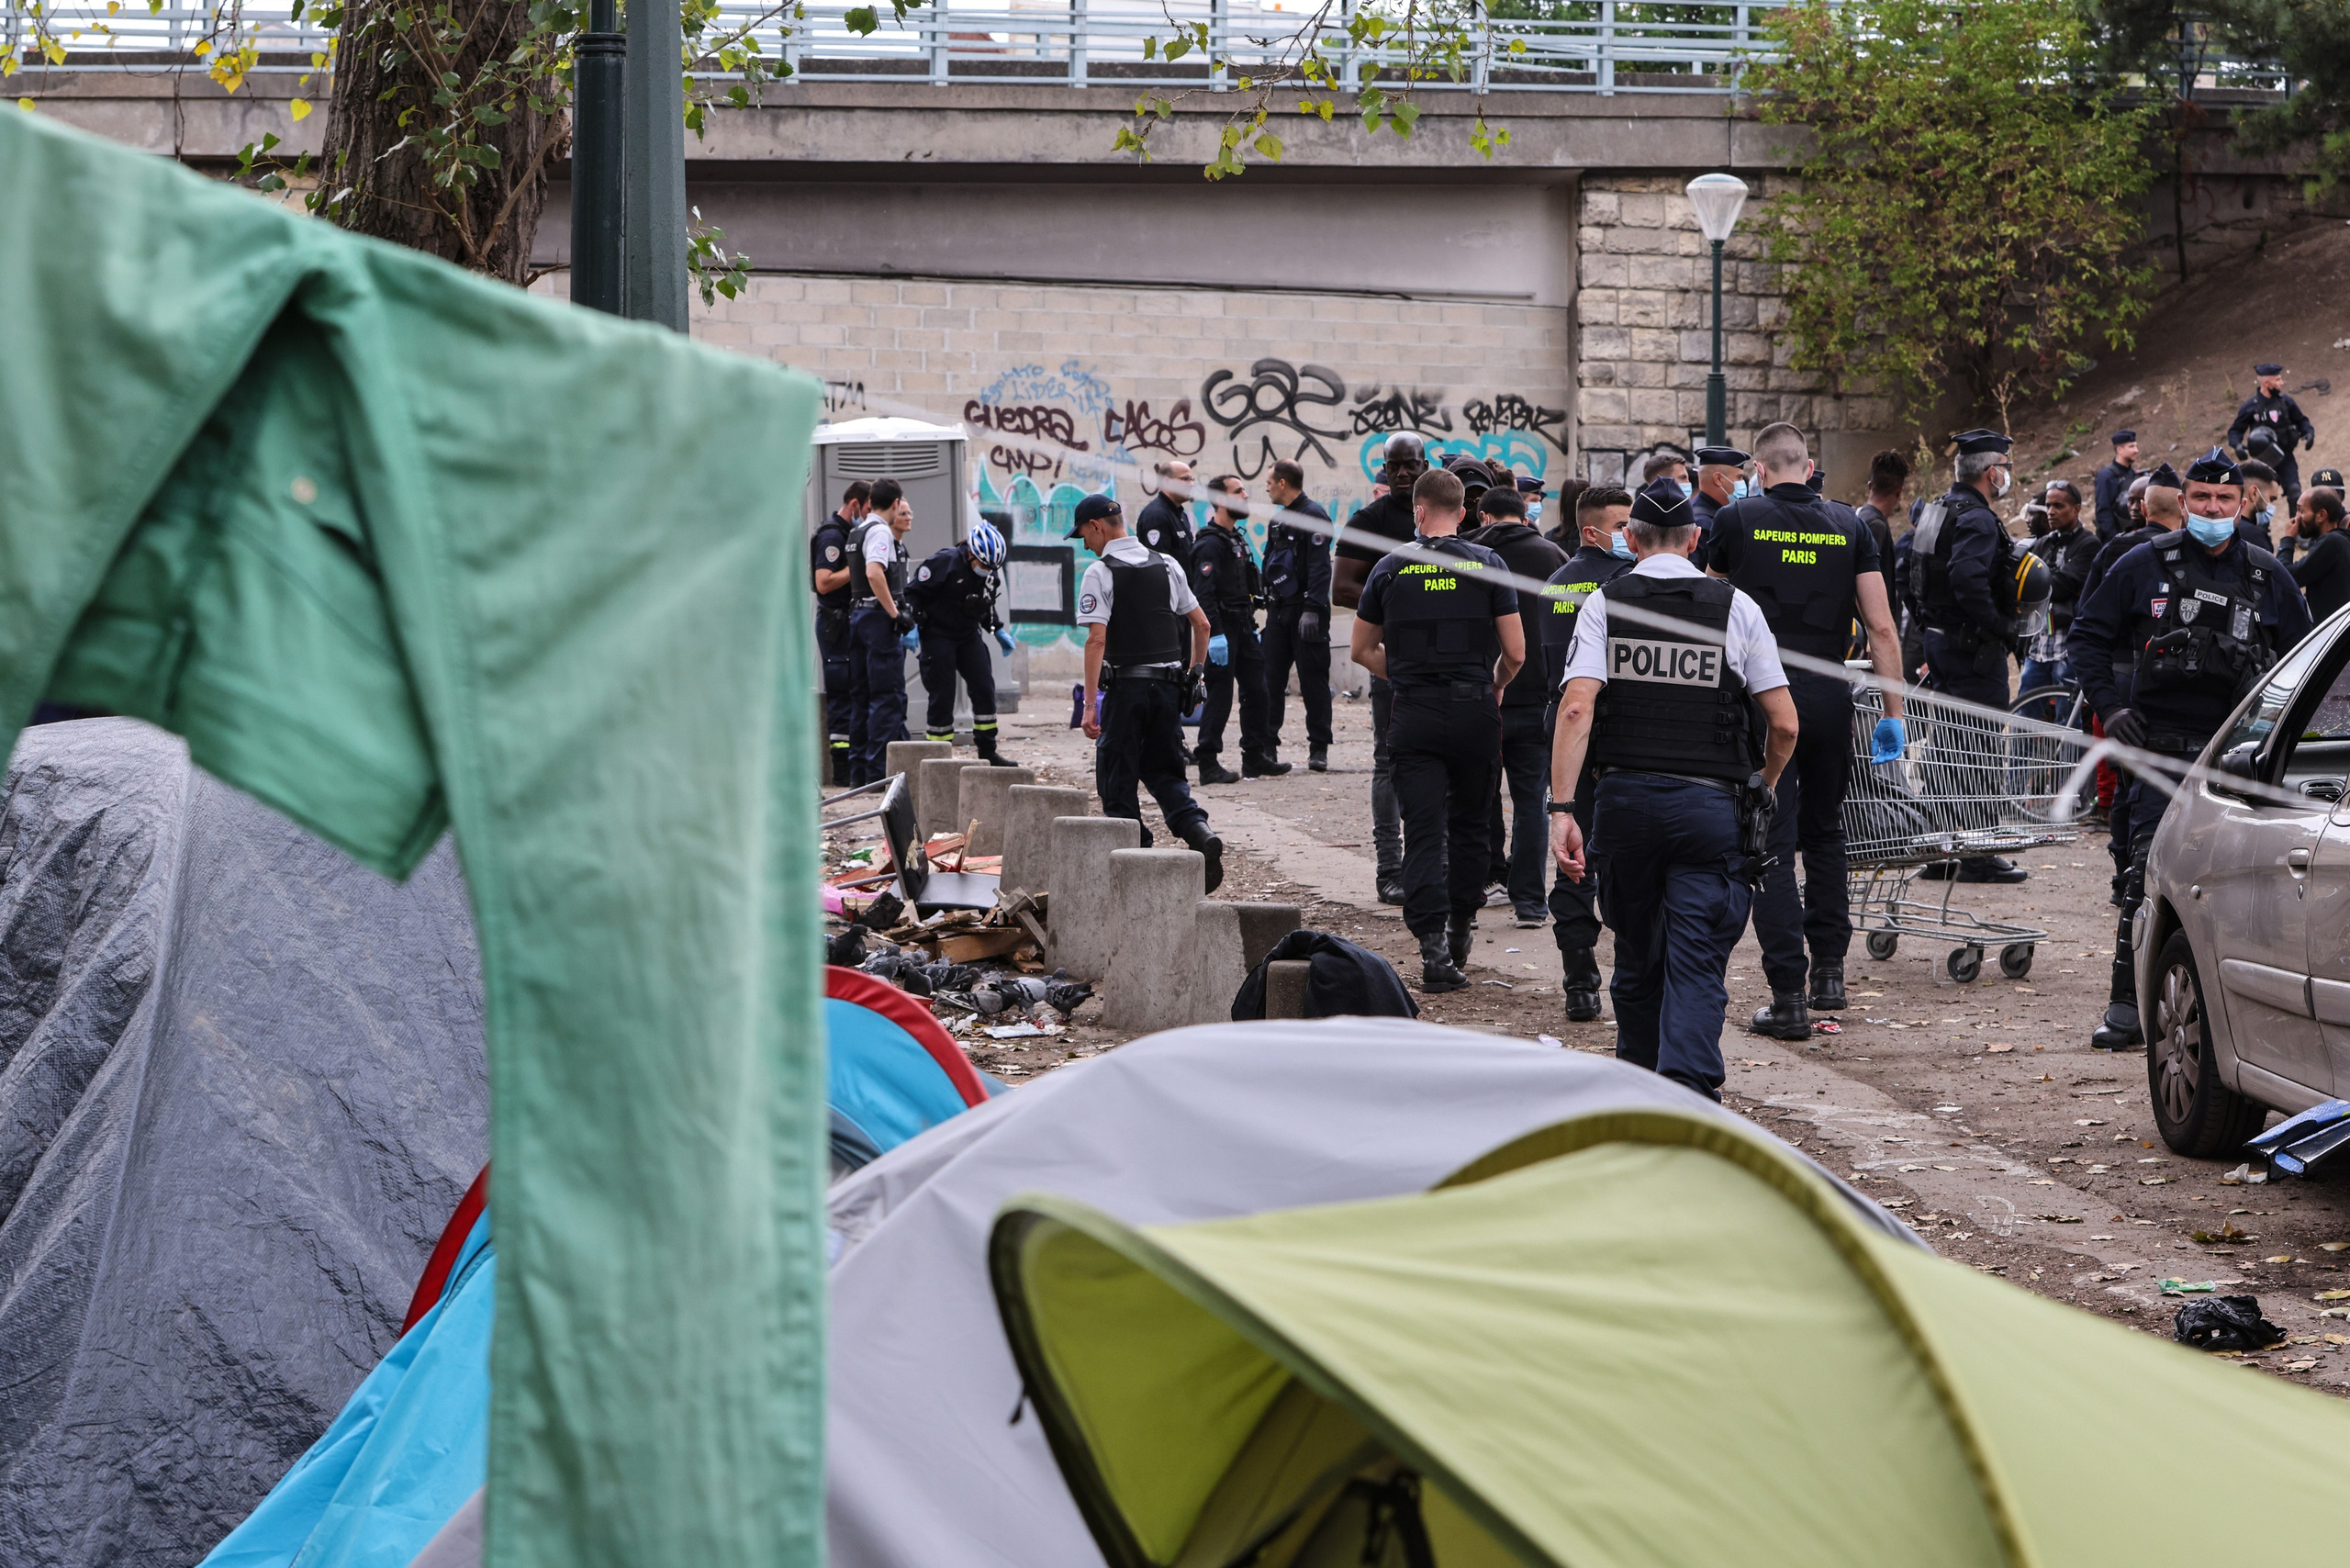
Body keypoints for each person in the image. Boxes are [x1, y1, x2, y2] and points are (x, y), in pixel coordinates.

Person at [1548, 484, 1799, 1101]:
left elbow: (1577, 710)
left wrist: (1561, 809)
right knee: (1695, 959)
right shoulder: (1736, 607)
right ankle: (1687, 1095)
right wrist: (1762, 784)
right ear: (1694, 540)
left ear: (1628, 540)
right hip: (1709, 813)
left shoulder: (1604, 603)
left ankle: (1636, 1085)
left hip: (1625, 808)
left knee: (1636, 954)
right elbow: (1786, 723)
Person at [2071, 450, 2311, 1049]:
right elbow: (2088, 638)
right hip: (2160, 751)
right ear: (2183, 503)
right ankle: (2128, 1006)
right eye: (2201, 499)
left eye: (2224, 501)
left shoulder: (2266, 576)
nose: (2211, 509)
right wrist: (2111, 707)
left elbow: (2305, 663)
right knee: (2146, 874)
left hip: (2242, 758)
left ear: (2242, 505)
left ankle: (2263, 1021)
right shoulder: (2140, 565)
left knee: (2258, 884)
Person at [1705, 422, 1907, 1039]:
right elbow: (1881, 628)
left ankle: (1788, 995)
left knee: (1768, 841)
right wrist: (1894, 714)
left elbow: (1710, 612)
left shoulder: (1735, 523)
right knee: (1825, 835)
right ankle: (1830, 974)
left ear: (1759, 469)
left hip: (1761, 701)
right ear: (1810, 465)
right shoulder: (1851, 525)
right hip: (1827, 698)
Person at [1349, 468, 1524, 992]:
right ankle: (1461, 927)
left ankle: (1431, 948)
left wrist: (1403, 675)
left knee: (1422, 831)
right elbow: (1515, 652)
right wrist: (1492, 684)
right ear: (1465, 512)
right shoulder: (1489, 564)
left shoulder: (1389, 568)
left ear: (1418, 512)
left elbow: (1360, 649)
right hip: (1474, 711)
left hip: (1415, 712)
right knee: (1472, 825)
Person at [1071, 494, 1226, 890]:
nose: (1085, 544)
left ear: (1097, 527)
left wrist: (1090, 706)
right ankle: (1198, 833)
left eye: (1084, 536)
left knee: (1116, 777)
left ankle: (1136, 862)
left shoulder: (1100, 572)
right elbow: (1202, 625)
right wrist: (1197, 674)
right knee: (1166, 770)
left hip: (1126, 690)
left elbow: (1096, 642)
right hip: (1168, 688)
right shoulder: (1168, 564)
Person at [1905, 430, 2033, 882]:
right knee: (1976, 744)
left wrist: (1927, 623)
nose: (2008, 474)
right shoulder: (1976, 518)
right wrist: (2001, 627)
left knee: (1946, 744)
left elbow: (1909, 571)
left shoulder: (1937, 508)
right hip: (1971, 647)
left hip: (1942, 641)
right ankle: (1978, 852)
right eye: (2006, 465)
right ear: (1989, 471)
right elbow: (1966, 578)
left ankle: (1943, 847)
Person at [1537, 484, 1634, 1021]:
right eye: (1622, 525)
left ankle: (1579, 977)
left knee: (1571, 852)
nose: (1631, 534)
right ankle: (1625, 968)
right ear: (1593, 531)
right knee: (1618, 851)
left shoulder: (1552, 585)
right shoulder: (1627, 585)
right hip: (1614, 729)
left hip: (1565, 729)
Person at [1464, 486, 1569, 927]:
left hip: (1480, 696)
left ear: (1484, 517)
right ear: (1525, 514)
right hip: (1536, 699)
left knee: (1472, 800)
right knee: (1531, 803)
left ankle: (1470, 896)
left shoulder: (1468, 554)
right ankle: (1530, 902)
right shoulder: (1553, 557)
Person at [1335, 432, 1430, 905]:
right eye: (1394, 467)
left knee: (1443, 760)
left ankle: (1434, 863)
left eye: (1410, 466)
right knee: (1387, 761)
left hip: (1445, 659)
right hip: (1389, 658)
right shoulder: (1368, 521)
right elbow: (1342, 587)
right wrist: (1397, 601)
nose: (1402, 475)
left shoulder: (1440, 515)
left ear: (1425, 465)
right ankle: (1389, 869)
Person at [1192, 476, 1286, 783]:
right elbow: (1203, 595)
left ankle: (1254, 757)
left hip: (1244, 626)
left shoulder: (1236, 538)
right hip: (1223, 629)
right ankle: (1207, 762)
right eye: (1238, 492)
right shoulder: (1209, 543)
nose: (1246, 495)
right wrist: (1215, 635)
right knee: (1220, 695)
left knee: (1259, 690)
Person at [905, 518, 1019, 766]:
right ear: (971, 555)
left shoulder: (988, 568)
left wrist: (997, 630)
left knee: (984, 687)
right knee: (942, 695)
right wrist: (911, 625)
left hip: (967, 636)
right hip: (938, 635)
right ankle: (938, 756)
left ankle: (988, 750)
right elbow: (913, 593)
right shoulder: (944, 562)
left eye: (992, 567)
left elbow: (984, 604)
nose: (988, 570)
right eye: (984, 565)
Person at [1259, 459, 1335, 772]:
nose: (1265, 487)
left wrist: (1313, 610)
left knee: (1313, 681)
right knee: (1270, 681)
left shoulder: (1313, 516)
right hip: (1279, 613)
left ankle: (1318, 749)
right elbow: (1271, 563)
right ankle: (1267, 747)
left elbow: (1320, 567)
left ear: (1282, 483)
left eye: (1269, 482)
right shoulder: (1279, 521)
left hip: (1306, 611)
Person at [845, 477, 916, 786]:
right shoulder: (879, 532)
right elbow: (875, 572)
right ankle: (878, 776)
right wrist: (895, 614)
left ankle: (858, 774)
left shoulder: (856, 531)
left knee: (861, 697)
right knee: (886, 698)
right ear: (896, 503)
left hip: (858, 617)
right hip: (876, 620)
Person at [812, 479, 870, 782]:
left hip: (846, 623)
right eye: (868, 509)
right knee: (840, 693)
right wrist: (858, 569)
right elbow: (823, 582)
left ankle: (851, 765)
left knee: (853, 690)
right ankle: (841, 771)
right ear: (854, 505)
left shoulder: (848, 533)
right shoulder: (832, 536)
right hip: (834, 624)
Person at [2020, 481, 2098, 695]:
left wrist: (2043, 583)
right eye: (2048, 506)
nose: (2051, 512)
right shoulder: (2042, 543)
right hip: (2038, 643)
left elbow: (2063, 584)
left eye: (2058, 506)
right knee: (2025, 711)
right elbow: (2025, 585)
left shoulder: (2090, 544)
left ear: (2076, 509)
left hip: (2068, 644)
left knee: (2067, 715)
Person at [2230, 363, 2318, 503]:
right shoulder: (2251, 406)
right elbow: (2235, 430)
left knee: (2295, 493)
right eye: (2277, 380)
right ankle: (2258, 526)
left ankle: (2296, 524)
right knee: (2259, 502)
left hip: (2285, 456)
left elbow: (2301, 420)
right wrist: (2237, 445)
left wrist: (2309, 433)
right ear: (2267, 384)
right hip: (2264, 462)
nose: (2282, 383)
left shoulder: (2286, 402)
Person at [2292, 486, 2350, 622]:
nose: (2297, 518)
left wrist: (2287, 540)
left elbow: (2289, 577)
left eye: (2301, 511)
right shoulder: (2339, 540)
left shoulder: (2332, 542)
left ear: (2321, 516)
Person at [1690, 444, 1750, 567]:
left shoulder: (1706, 514)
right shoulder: (1702, 523)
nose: (1742, 484)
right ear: (1718, 479)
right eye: (1739, 478)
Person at [2093, 431, 2139, 540]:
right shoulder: (2106, 476)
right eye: (2131, 446)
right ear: (2119, 449)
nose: (2136, 451)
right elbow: (2103, 512)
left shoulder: (2132, 474)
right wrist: (2116, 540)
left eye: (2136, 446)